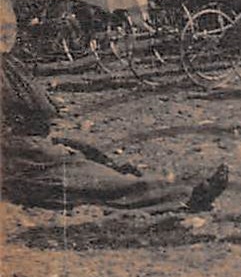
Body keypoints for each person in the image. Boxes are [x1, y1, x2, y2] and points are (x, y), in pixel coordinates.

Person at [4, 49, 228, 214]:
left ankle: (170, 185)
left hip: (28, 147)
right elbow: (41, 109)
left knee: (91, 157)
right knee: (95, 182)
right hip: (18, 160)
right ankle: (185, 194)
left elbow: (42, 110)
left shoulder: (8, 64)